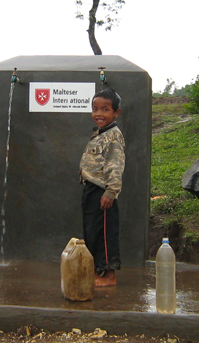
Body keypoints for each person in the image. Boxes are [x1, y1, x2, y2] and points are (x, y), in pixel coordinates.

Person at [79, 88, 125, 287]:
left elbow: (115, 164)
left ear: (116, 113)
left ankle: (109, 275)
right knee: (93, 232)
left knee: (105, 234)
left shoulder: (113, 136)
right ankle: (97, 270)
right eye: (95, 109)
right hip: (91, 189)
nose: (99, 114)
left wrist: (110, 192)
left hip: (102, 192)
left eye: (105, 109)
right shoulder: (99, 134)